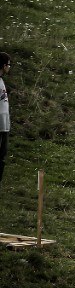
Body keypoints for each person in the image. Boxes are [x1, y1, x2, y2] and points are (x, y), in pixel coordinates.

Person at [0, 53, 10, 189]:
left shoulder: (1, 80)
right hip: (0, 127)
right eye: (8, 64)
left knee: (1, 156)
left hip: (4, 126)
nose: (9, 67)